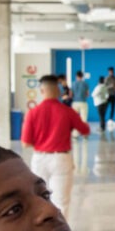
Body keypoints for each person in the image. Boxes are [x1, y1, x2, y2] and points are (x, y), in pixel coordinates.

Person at [21, 74, 91, 219]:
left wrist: (42, 143)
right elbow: (85, 130)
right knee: (61, 202)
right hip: (62, 159)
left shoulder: (32, 113)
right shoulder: (67, 112)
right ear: (58, 91)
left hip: (39, 158)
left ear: (41, 91)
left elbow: (26, 142)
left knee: (39, 200)